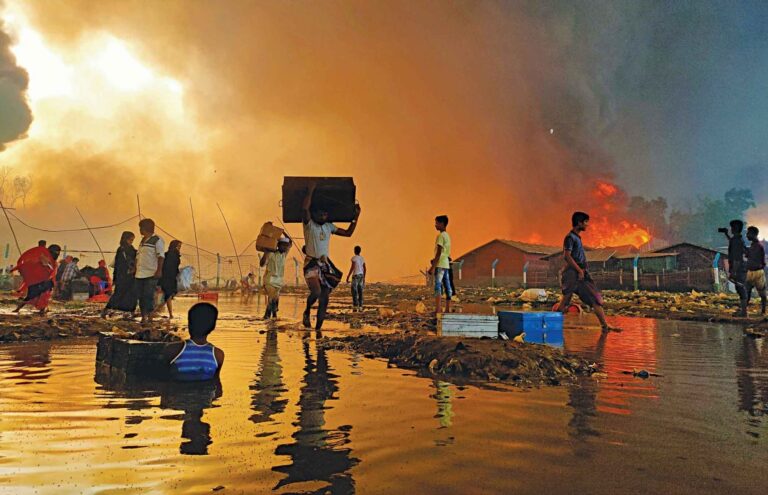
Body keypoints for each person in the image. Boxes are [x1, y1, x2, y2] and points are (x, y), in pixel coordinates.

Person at [302, 182, 361, 330]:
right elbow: (304, 208)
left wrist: (356, 217)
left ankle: (318, 331)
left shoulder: (329, 226)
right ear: (314, 214)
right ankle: (307, 311)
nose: (322, 216)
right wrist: (310, 190)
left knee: (324, 299)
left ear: (327, 215)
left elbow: (348, 233)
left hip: (325, 264)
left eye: (325, 214)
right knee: (316, 292)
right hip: (311, 264)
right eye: (320, 213)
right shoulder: (309, 224)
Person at [555, 212, 620, 332]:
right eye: (585, 222)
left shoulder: (576, 238)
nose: (587, 225)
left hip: (577, 273)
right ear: (579, 223)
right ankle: (605, 326)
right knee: (592, 298)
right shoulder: (570, 237)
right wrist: (579, 271)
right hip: (574, 274)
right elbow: (567, 256)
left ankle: (551, 325)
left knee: (567, 300)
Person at [164, 302, 225, 381]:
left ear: (189, 324)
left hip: (178, 392)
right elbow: (216, 384)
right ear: (212, 327)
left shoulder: (172, 349)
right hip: (205, 392)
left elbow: (164, 379)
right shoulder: (218, 355)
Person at [12, 244, 61, 315]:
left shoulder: (54, 262)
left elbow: (52, 272)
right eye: (55, 252)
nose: (57, 255)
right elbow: (36, 264)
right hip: (36, 282)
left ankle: (43, 310)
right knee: (30, 296)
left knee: (45, 296)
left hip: (47, 282)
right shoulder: (43, 256)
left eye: (58, 253)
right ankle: (18, 309)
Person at [135, 218, 165, 324]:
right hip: (139, 273)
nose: (140, 230)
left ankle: (150, 316)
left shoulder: (157, 240)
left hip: (151, 273)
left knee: (148, 295)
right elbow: (138, 256)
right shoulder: (142, 241)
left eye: (141, 228)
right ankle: (143, 316)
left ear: (145, 228)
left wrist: (159, 270)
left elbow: (161, 256)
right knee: (140, 296)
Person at [101, 231, 137, 317]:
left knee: (130, 294)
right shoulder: (122, 249)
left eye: (132, 240)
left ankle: (130, 311)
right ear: (125, 239)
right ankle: (107, 310)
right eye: (130, 239)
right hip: (123, 276)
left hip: (128, 276)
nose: (131, 241)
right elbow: (119, 264)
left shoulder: (129, 249)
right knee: (119, 294)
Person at [261, 236, 291, 319]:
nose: (285, 247)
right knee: (271, 298)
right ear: (278, 245)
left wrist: (282, 233)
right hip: (269, 280)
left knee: (275, 300)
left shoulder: (284, 255)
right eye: (283, 245)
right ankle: (267, 316)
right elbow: (262, 264)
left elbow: (290, 243)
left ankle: (273, 317)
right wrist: (265, 253)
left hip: (278, 282)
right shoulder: (271, 254)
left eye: (286, 246)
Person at [722, 219, 748, 316]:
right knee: (739, 288)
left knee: (741, 288)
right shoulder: (736, 240)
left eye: (732, 227)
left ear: (736, 228)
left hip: (739, 268)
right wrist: (726, 235)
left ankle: (744, 312)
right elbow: (732, 243)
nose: (731, 229)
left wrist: (734, 271)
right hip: (738, 267)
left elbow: (737, 258)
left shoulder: (737, 241)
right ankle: (743, 311)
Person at [428, 215, 452, 315]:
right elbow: (446, 253)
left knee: (438, 286)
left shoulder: (440, 236)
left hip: (440, 265)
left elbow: (439, 252)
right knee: (447, 286)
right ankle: (447, 309)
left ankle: (438, 309)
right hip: (445, 264)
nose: (435, 225)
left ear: (442, 223)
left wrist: (432, 267)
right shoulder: (447, 236)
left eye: (437, 223)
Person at [158, 240, 182, 319]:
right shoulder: (172, 255)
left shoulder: (168, 254)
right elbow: (169, 268)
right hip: (168, 278)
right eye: (178, 246)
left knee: (167, 296)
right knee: (168, 295)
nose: (179, 248)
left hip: (168, 278)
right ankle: (168, 313)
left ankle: (169, 313)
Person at [745, 226, 766, 315]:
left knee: (762, 293)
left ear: (754, 234)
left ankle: (763, 311)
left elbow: (762, 261)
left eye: (748, 233)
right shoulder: (754, 246)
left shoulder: (758, 246)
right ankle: (744, 310)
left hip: (757, 272)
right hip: (752, 271)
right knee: (748, 292)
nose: (747, 235)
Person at [345, 246, 366, 311]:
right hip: (361, 275)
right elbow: (365, 268)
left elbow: (352, 267)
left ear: (354, 251)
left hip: (355, 276)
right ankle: (360, 306)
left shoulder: (354, 258)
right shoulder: (362, 258)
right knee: (360, 291)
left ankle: (355, 305)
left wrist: (348, 276)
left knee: (354, 291)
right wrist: (364, 277)